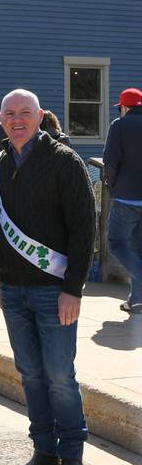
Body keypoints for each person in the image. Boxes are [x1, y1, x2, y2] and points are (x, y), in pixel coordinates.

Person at [0, 89, 94, 465]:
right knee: (30, 375)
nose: (17, 119)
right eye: (10, 113)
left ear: (38, 116)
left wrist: (74, 289)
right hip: (13, 291)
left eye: (25, 113)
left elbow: (85, 229)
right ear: (1, 119)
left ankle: (72, 457)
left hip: (55, 292)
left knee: (59, 376)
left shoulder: (65, 162)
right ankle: (44, 452)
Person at [104, 87, 142, 315]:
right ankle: (136, 301)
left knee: (116, 243)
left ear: (125, 107)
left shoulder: (120, 125)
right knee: (138, 248)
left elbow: (110, 163)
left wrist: (112, 186)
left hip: (127, 197)